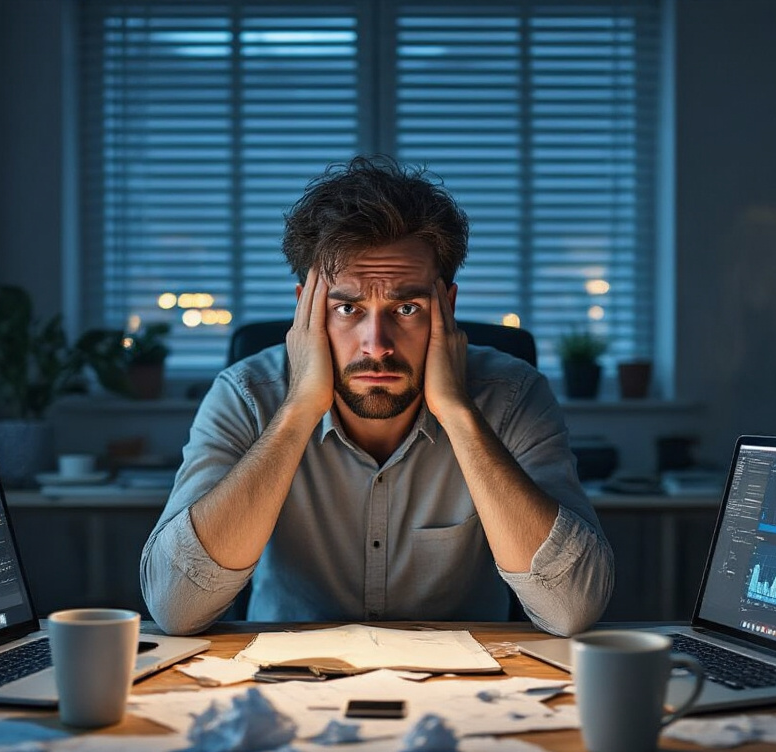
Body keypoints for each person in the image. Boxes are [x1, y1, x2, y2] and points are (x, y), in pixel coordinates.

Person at [140, 156, 613, 636]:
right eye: (347, 307)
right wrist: (299, 408)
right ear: (306, 308)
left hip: (467, 686)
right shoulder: (246, 396)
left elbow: (571, 608)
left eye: (406, 307)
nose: (377, 345)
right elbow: (176, 607)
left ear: (447, 306)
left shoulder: (512, 396)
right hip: (285, 681)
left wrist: (458, 413)